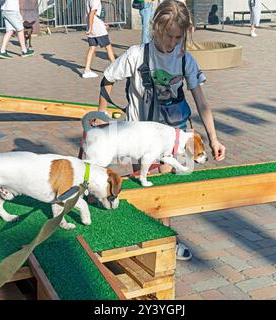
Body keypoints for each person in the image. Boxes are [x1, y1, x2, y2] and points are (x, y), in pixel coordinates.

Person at [98, 0, 226, 261]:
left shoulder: (185, 60)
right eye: (169, 35)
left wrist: (214, 138)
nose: (172, 42)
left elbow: (202, 102)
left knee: (164, 191)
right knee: (144, 186)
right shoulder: (136, 55)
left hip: (173, 134)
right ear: (156, 27)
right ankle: (146, 239)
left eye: (178, 37)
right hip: (139, 135)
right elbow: (107, 78)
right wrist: (101, 118)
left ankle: (164, 241)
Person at [83, 0, 116, 78]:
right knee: (108, 47)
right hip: (97, 28)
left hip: (93, 25)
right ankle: (115, 68)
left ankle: (87, 70)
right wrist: (91, 28)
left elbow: (90, 14)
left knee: (92, 48)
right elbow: (91, 13)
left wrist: (100, 23)